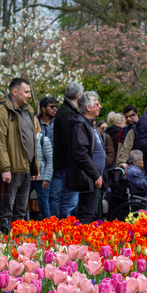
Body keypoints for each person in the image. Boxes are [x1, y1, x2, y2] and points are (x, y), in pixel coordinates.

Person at [0, 78, 39, 234]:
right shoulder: (1, 111)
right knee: (6, 211)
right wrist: (5, 168)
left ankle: (18, 244)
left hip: (26, 169)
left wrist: (35, 166)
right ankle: (4, 243)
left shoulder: (28, 111)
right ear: (14, 92)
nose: (29, 95)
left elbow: (32, 140)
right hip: (10, 170)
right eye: (26, 92)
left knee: (20, 212)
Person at [66, 91, 104, 224]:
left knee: (91, 214)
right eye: (97, 104)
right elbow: (81, 154)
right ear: (88, 107)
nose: (100, 107)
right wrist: (96, 175)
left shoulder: (88, 124)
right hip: (87, 178)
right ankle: (81, 237)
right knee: (86, 216)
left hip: (92, 178)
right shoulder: (80, 125)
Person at [54, 82, 82, 218]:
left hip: (68, 162)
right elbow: (68, 140)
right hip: (68, 163)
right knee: (69, 201)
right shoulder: (66, 112)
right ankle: (64, 227)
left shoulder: (67, 111)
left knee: (72, 201)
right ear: (79, 95)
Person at [37, 96, 60, 216]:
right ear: (43, 108)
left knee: (54, 196)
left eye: (55, 106)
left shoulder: (58, 122)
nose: (54, 109)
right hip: (39, 167)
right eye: (51, 106)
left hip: (55, 164)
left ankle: (53, 222)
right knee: (42, 198)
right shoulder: (35, 122)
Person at [29, 118, 53, 220]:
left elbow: (50, 160)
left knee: (43, 204)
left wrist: (47, 178)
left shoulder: (44, 139)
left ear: (37, 125)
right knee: (21, 202)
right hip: (27, 177)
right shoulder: (23, 140)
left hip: (42, 177)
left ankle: (47, 225)